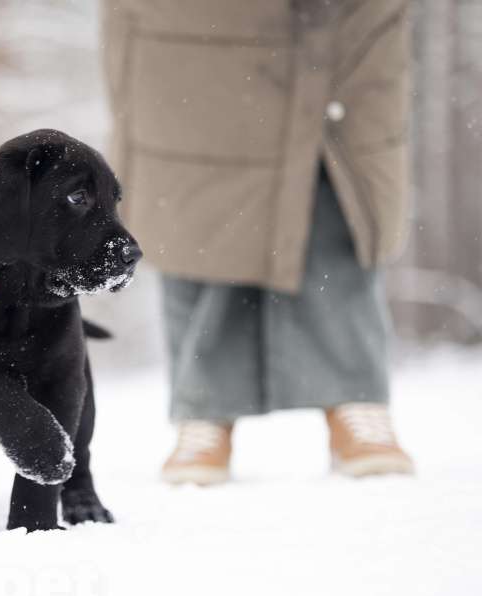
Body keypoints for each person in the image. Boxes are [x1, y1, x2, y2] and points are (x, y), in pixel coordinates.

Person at [101, 0, 415, 484]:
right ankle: (204, 406)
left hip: (343, 21)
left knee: (338, 194)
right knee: (196, 198)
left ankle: (355, 394)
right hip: (192, 28)